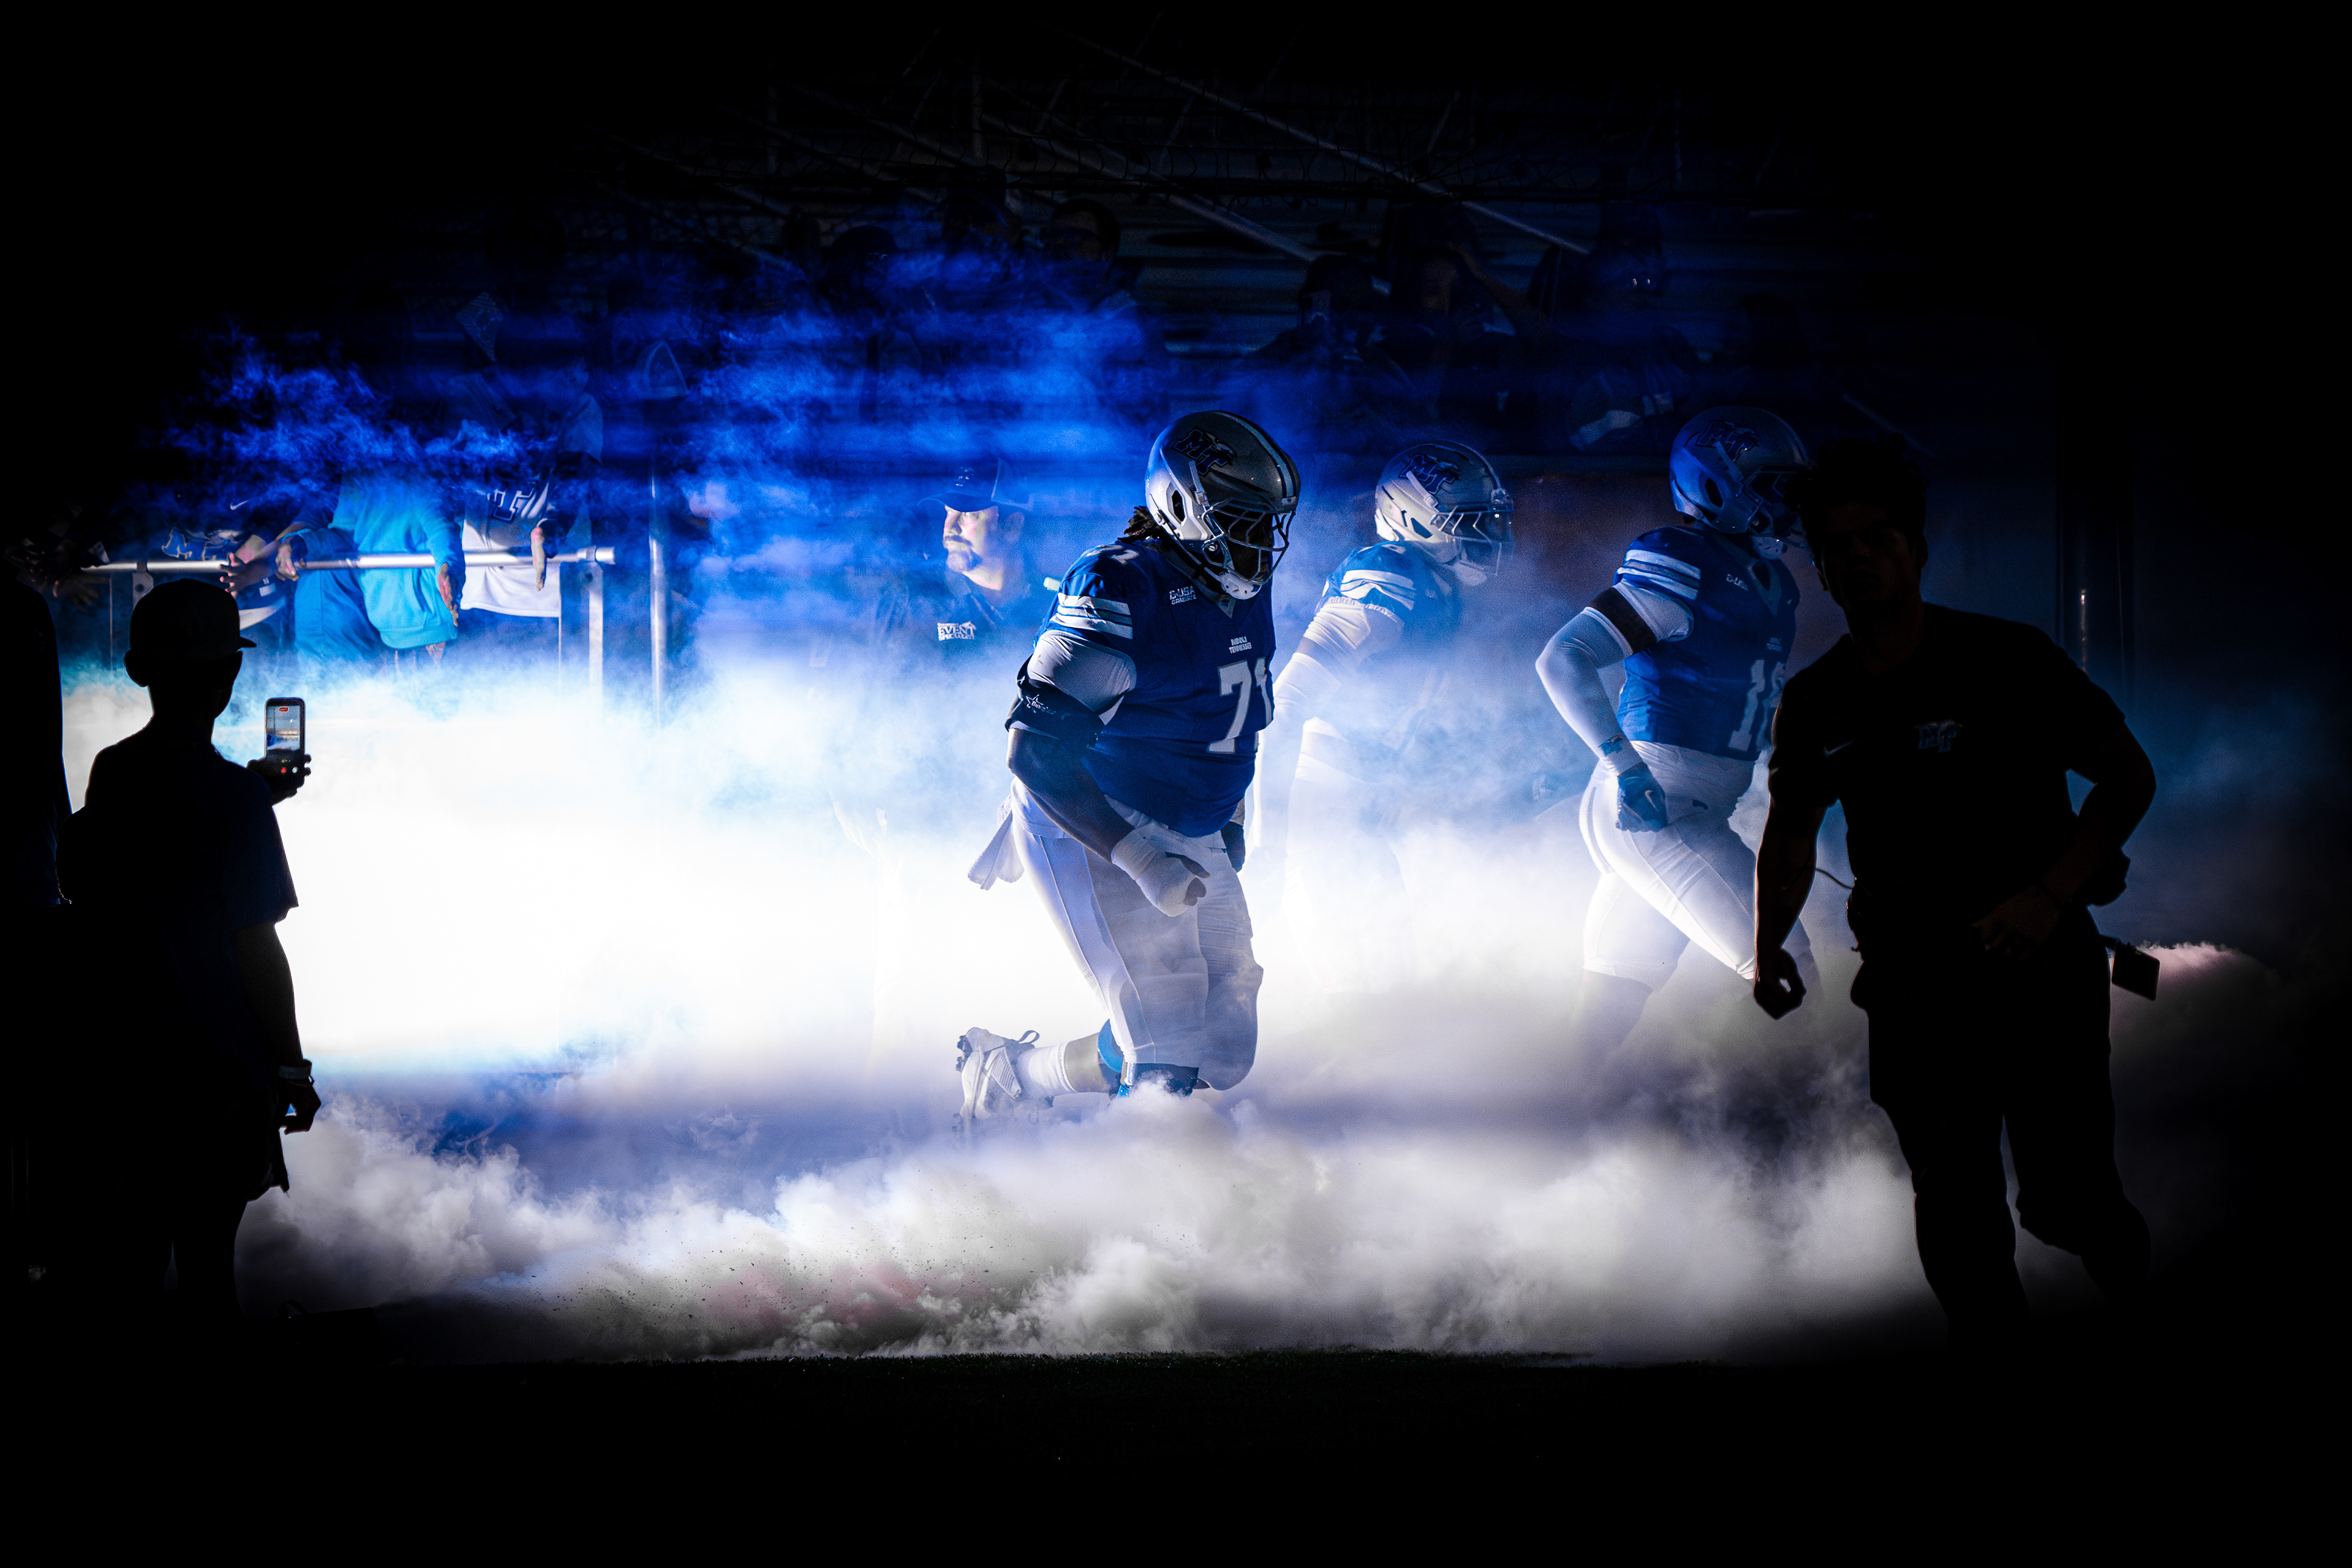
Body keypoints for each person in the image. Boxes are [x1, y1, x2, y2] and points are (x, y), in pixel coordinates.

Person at [1752, 437, 2155, 1350]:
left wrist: (2049, 896)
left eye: (1878, 537)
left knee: (2066, 1200)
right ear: (1821, 567)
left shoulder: (2008, 658)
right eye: (1839, 546)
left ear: (1918, 549)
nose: (1859, 557)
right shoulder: (1817, 700)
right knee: (1954, 1200)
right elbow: (1791, 829)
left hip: (2038, 969)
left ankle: (2135, 1303)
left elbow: (2128, 777)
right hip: (1912, 981)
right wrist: (1766, 945)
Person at [958, 412, 1298, 1120]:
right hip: (1096, 815)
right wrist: (1143, 859)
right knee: (1167, 1050)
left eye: (1267, 522)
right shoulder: (1120, 586)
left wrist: (1230, 817)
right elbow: (1034, 752)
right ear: (1180, 505)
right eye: (1241, 519)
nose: (1260, 541)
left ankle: (1014, 1073)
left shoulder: (1241, 586)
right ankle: (1141, 1186)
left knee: (1224, 1046)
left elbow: (1231, 718)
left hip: (1189, 818)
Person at [54, 581, 317, 1336]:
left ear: (141, 670)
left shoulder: (113, 771)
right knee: (207, 1276)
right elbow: (255, 943)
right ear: (230, 675)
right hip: (216, 1077)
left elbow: (123, 869)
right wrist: (291, 1068)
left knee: (133, 1264)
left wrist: (247, 794)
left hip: (128, 1066)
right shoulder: (235, 798)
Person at [1535, 407, 1820, 1061]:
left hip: (1692, 803)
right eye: (1773, 486)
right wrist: (1624, 766)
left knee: (1609, 1003)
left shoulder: (1774, 582)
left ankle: (1558, 1110)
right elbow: (1563, 656)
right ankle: (1823, 1118)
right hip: (1657, 801)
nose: (1788, 502)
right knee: (1789, 966)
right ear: (1718, 486)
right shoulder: (1685, 560)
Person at [1254, 442, 1515, 992]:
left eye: (1487, 520)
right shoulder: (1389, 569)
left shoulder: (1437, 586)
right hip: (1321, 809)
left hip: (1355, 809)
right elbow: (1286, 706)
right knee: (1359, 995)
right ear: (1412, 518)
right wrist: (1267, 844)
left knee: (1395, 992)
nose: (1485, 535)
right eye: (1467, 521)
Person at [445, 307, 603, 671]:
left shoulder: (579, 404)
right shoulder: (468, 394)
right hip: (483, 587)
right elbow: (450, 471)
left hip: (555, 591)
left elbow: (577, 477)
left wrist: (552, 525)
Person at [866, 455, 1052, 677]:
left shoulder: (1055, 608)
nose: (950, 528)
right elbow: (882, 687)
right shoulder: (913, 600)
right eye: (949, 513)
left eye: (969, 515)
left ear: (1012, 526)